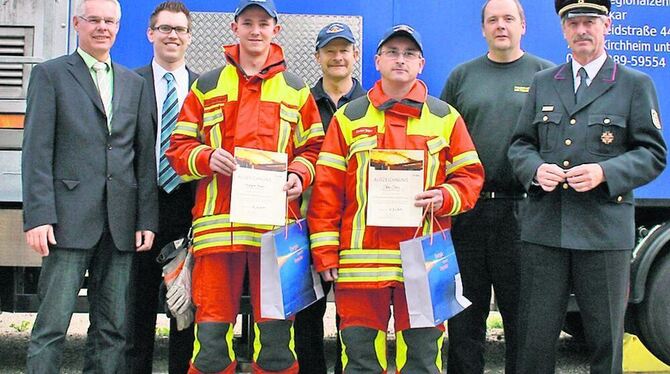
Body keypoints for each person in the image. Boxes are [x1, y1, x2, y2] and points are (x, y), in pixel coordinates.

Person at [308, 24, 484, 373]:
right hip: (361, 266)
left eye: (408, 54)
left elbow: (470, 177)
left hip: (424, 262)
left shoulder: (446, 118)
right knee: (360, 359)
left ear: (421, 63)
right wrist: (325, 252)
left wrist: (446, 195)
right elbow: (327, 190)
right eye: (392, 52)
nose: (400, 60)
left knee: (421, 359)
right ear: (376, 61)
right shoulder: (348, 118)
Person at [508, 0, 667, 372]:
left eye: (590, 22)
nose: (582, 30)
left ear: (606, 26)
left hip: (603, 234)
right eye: (573, 23)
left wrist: (605, 173)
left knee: (604, 341)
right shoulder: (544, 83)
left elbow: (652, 154)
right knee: (534, 339)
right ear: (564, 30)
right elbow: (520, 145)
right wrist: (535, 170)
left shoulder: (633, 85)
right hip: (545, 231)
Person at [166, 0, 324, 372]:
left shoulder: (296, 90)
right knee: (210, 339)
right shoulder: (207, 85)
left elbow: (315, 148)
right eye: (248, 23)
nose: (256, 30)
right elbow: (178, 149)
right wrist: (206, 157)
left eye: (263, 23)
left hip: (276, 233)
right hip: (218, 229)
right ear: (234, 28)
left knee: (276, 340)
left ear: (276, 30)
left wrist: (299, 175)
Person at [21, 0, 158, 372]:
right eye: (94, 20)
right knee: (51, 327)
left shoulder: (134, 83)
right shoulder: (50, 75)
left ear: (119, 27)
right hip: (67, 221)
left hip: (120, 225)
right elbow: (36, 150)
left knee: (113, 329)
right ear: (77, 24)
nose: (102, 27)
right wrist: (37, 217)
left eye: (110, 21)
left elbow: (143, 157)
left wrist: (145, 219)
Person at [439, 0, 554, 372]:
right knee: (464, 321)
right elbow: (442, 141)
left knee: (523, 321)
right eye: (493, 19)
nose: (500, 25)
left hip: (524, 213)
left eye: (508, 18)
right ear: (483, 28)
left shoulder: (546, 77)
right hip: (468, 213)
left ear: (523, 25)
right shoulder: (462, 76)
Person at [128, 2, 197, 373]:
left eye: (180, 30)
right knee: (136, 308)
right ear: (150, 34)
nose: (173, 35)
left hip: (189, 207)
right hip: (142, 207)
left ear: (189, 38)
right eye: (165, 28)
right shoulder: (129, 84)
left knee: (185, 309)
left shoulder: (204, 87)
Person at [294, 22, 365, 374]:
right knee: (307, 314)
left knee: (352, 317)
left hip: (355, 229)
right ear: (317, 56)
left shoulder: (371, 106)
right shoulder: (300, 103)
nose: (337, 57)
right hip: (306, 227)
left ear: (355, 55)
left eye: (344, 50)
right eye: (330, 50)